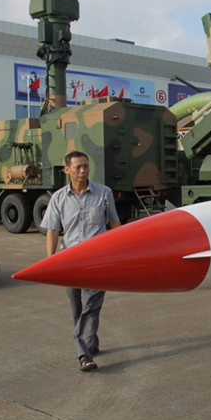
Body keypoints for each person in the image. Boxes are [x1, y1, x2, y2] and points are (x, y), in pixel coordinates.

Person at [41, 151, 121, 372]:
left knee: (91, 307)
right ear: (66, 169)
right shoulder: (58, 198)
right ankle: (90, 342)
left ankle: (84, 355)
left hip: (97, 261)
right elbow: (53, 231)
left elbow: (114, 224)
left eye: (85, 166)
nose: (83, 170)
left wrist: (121, 253)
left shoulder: (104, 193)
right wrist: (51, 261)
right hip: (70, 261)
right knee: (78, 309)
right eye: (77, 167)